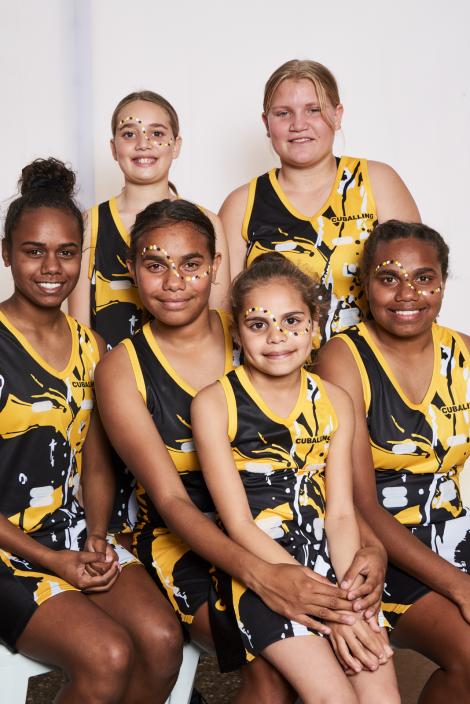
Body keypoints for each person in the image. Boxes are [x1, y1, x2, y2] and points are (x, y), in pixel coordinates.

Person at [94, 200, 390, 703]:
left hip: (290, 527)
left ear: (214, 268)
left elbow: (314, 466)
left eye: (190, 264)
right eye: (155, 264)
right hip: (189, 535)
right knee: (273, 666)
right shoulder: (121, 369)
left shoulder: (259, 323)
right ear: (131, 268)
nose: (173, 281)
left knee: (341, 648)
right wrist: (269, 578)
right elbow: (173, 502)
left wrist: (372, 545)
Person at [0, 158, 183, 704]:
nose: (51, 267)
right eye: (34, 251)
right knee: (108, 654)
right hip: (7, 547)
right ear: (6, 252)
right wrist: (54, 562)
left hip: (69, 533)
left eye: (67, 251)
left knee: (161, 640)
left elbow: (97, 461)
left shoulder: (92, 348)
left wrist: (97, 535)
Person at [191, 253, 399, 703]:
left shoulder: (336, 400)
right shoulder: (214, 405)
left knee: (382, 695)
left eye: (291, 320)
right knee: (335, 699)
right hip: (263, 571)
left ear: (315, 322)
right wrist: (327, 607)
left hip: (334, 567)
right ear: (237, 330)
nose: (277, 337)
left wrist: (347, 604)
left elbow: (342, 514)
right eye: (258, 324)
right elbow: (240, 524)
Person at [316, 220, 470, 702]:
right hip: (380, 545)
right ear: (365, 286)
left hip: (455, 532)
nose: (407, 293)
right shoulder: (343, 357)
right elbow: (362, 503)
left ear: (443, 282)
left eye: (423, 277)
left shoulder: (463, 349)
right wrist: (461, 587)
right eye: (389, 278)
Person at [69, 90, 231, 536]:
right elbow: (80, 330)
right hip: (119, 392)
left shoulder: (206, 222)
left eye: (156, 133)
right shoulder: (89, 224)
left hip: (183, 396)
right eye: (129, 132)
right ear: (113, 148)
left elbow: (220, 328)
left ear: (176, 145)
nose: (143, 143)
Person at [219, 59, 420, 344]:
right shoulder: (242, 204)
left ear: (337, 116)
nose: (298, 124)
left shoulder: (377, 182)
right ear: (266, 123)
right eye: (283, 113)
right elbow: (225, 316)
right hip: (277, 379)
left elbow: (417, 286)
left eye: (313, 110)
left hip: (371, 372)